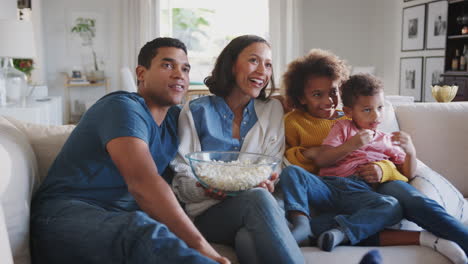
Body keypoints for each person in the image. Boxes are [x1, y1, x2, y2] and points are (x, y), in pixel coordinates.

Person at [30, 37, 230, 264]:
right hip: (64, 217)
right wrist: (202, 248)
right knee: (143, 230)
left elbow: (208, 157)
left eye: (185, 69)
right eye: (167, 65)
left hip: (118, 220)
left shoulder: (176, 120)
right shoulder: (123, 108)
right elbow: (143, 184)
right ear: (141, 73)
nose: (179, 74)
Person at [280, 49, 468, 263]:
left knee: (398, 204)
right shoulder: (297, 122)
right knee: (310, 205)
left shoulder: (357, 119)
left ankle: (460, 239)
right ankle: (304, 225)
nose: (329, 101)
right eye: (317, 94)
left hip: (369, 185)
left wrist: (388, 166)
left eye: (333, 92)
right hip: (327, 185)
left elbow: (396, 161)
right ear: (300, 98)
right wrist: (310, 154)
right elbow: (291, 160)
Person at [170, 35, 304, 264]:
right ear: (231, 65)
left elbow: (274, 166)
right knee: (257, 198)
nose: (263, 71)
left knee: (246, 240)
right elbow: (182, 178)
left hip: (259, 208)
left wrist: (270, 180)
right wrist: (203, 188)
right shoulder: (195, 111)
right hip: (209, 215)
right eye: (254, 60)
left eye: (268, 64)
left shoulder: (271, 110)